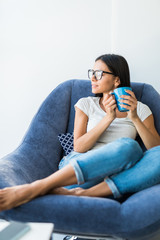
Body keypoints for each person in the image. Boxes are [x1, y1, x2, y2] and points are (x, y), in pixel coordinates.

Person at [0, 54, 160, 212]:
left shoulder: (140, 109)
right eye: (92, 73)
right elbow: (79, 146)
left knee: (147, 153)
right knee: (129, 146)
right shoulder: (86, 104)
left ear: (116, 80)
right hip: (79, 166)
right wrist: (108, 118)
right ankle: (37, 187)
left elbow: (155, 149)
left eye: (98, 74)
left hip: (113, 176)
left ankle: (82, 194)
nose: (93, 78)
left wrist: (134, 117)